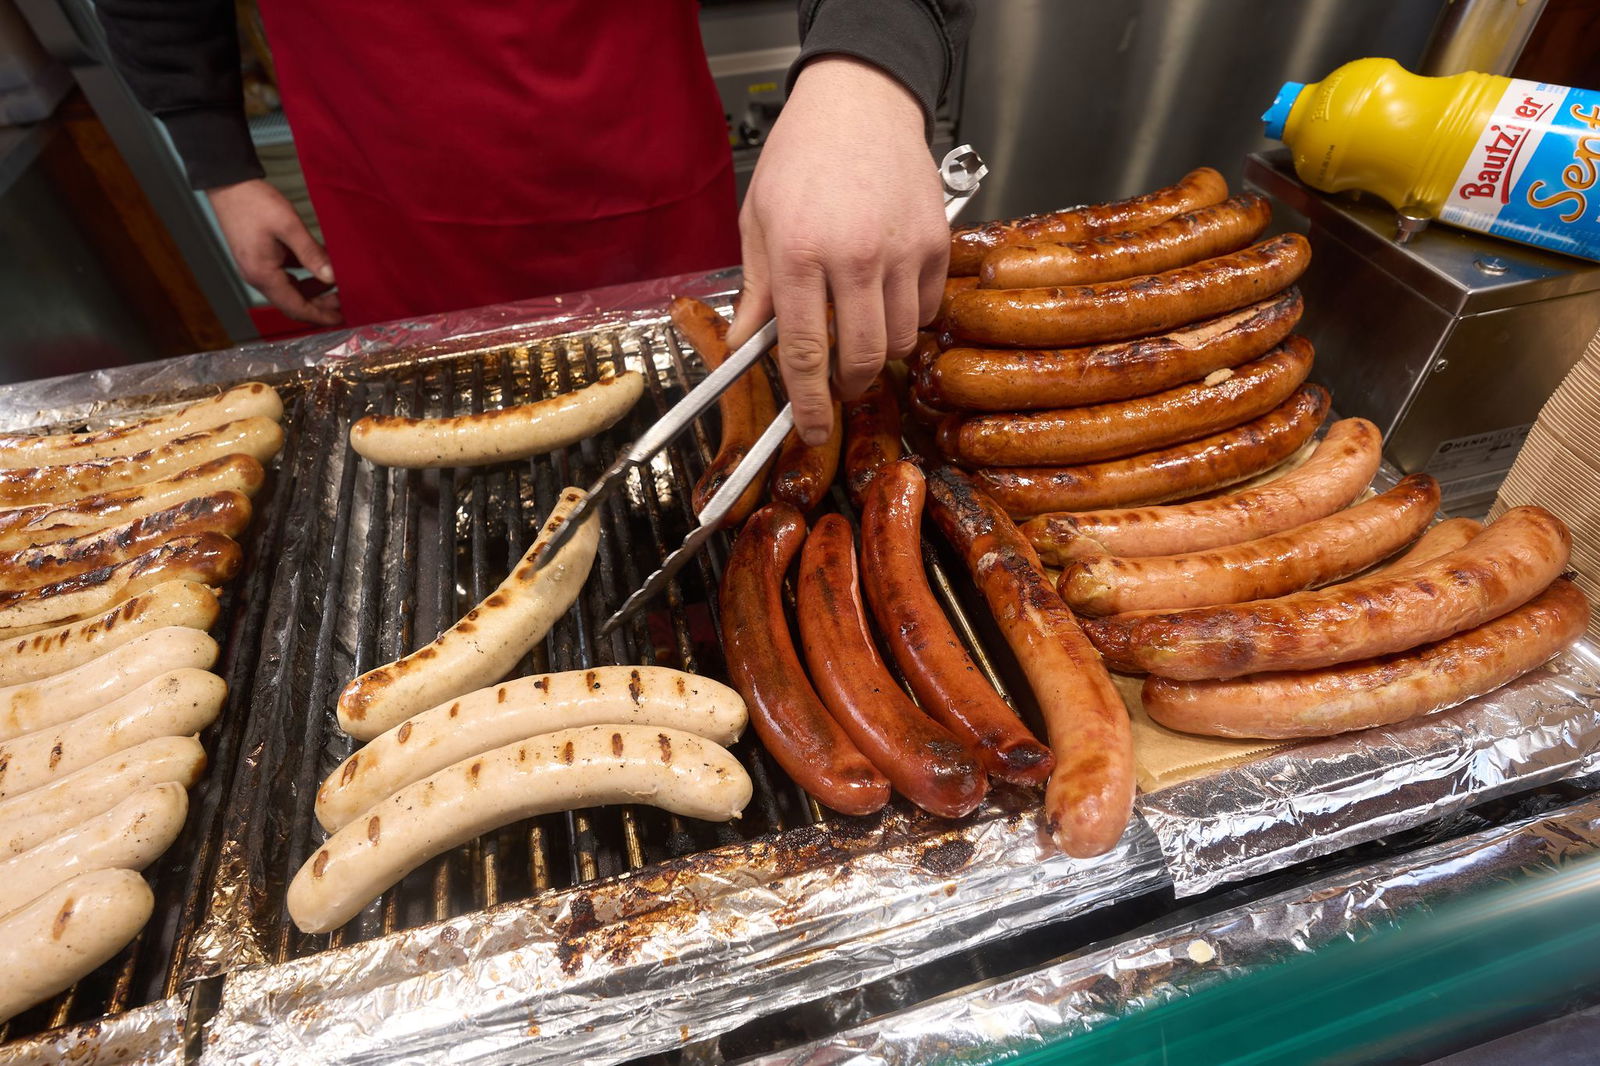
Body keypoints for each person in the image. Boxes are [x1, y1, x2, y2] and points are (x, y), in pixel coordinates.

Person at [97, 1, 973, 445]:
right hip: (388, 183)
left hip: (638, 150)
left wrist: (868, 63)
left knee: (723, 428)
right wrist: (217, 159)